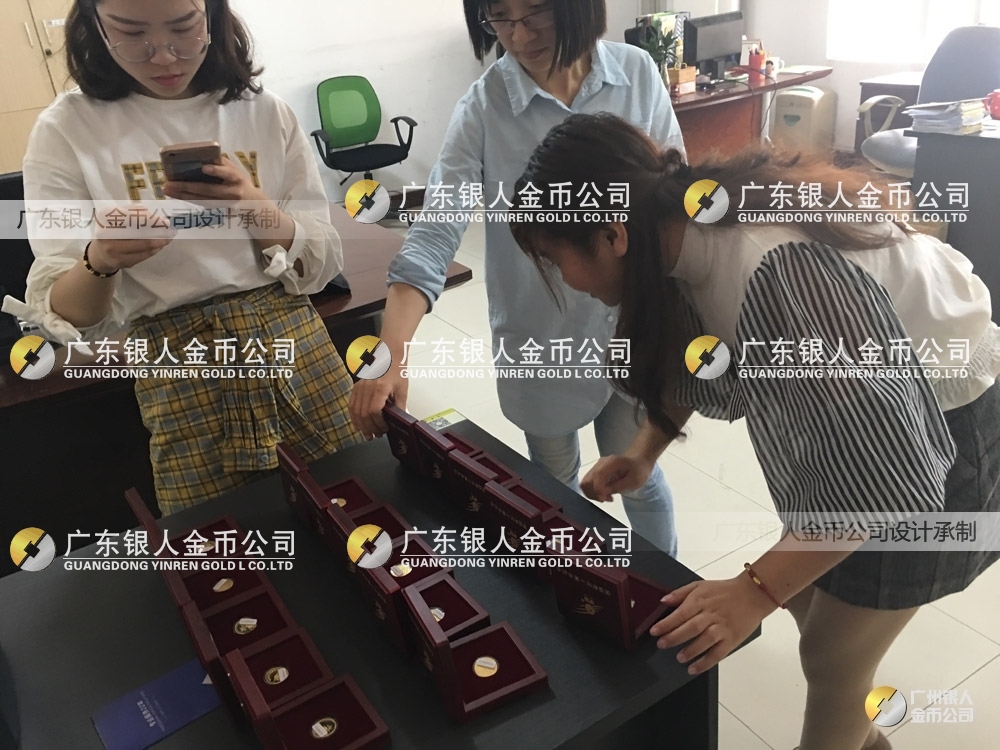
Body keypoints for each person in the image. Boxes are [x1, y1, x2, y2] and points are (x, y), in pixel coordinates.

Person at [509, 112, 1000, 750]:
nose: (566, 282)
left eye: (557, 260)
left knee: (831, 658)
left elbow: (890, 474)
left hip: (944, 425)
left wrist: (753, 591)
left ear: (611, 234)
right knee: (814, 608)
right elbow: (699, 354)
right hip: (874, 426)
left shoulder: (778, 274)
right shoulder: (677, 229)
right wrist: (645, 452)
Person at [348, 0, 684, 555]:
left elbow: (673, 196)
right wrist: (390, 355)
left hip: (633, 328)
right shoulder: (484, 107)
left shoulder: (636, 74)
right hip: (541, 339)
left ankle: (665, 587)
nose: (519, 36)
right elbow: (434, 233)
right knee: (554, 489)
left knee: (638, 475)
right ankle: (577, 587)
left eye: (536, 14)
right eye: (500, 18)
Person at [1, 0, 362, 515]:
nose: (164, 56)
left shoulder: (264, 111)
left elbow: (320, 265)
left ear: (212, 16)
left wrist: (251, 203)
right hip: (176, 360)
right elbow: (70, 315)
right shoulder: (66, 129)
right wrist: (102, 258)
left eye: (183, 28)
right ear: (95, 27)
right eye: (132, 34)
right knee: (218, 543)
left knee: (354, 507)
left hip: (292, 341)